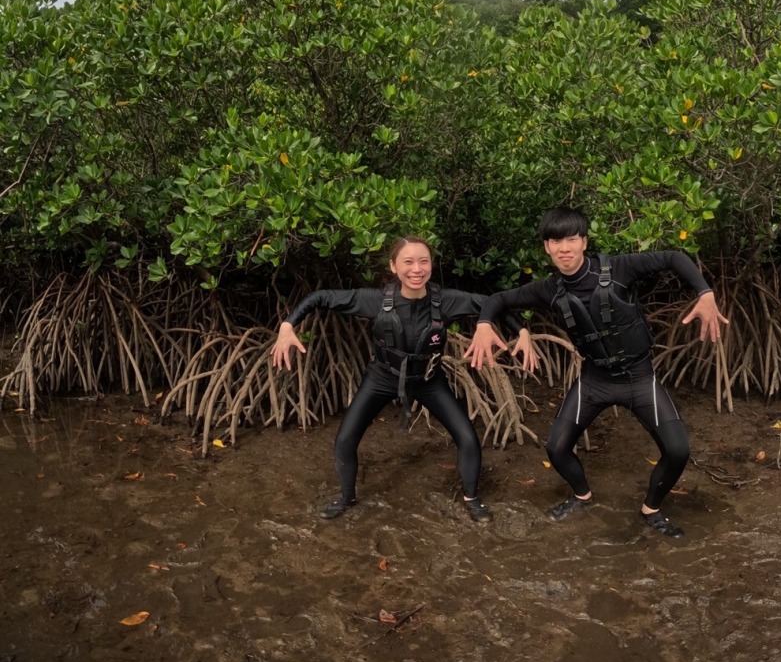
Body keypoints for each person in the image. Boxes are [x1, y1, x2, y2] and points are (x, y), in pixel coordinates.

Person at [464, 207, 728, 538]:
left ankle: (652, 508)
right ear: (546, 247)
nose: (564, 248)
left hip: (638, 377)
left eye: (571, 239)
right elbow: (499, 299)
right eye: (555, 241)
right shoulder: (548, 289)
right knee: (556, 449)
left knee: (678, 451)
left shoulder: (619, 268)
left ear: (584, 242)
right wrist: (489, 325)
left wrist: (705, 293)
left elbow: (675, 257)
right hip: (595, 380)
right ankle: (581, 496)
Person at [271, 236, 531, 523]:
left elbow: (494, 302)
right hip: (382, 377)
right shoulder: (373, 300)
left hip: (428, 380)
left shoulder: (446, 300)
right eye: (408, 262)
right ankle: (346, 498)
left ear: (432, 265)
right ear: (393, 266)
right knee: (345, 439)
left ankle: (472, 499)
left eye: (424, 261)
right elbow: (320, 298)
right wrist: (287, 325)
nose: (417, 269)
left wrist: (521, 332)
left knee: (468, 438)